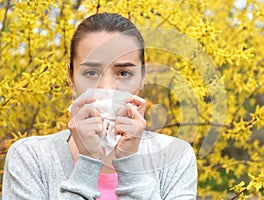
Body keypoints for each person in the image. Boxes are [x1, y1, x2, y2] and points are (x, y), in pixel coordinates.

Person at [2, 12, 197, 199]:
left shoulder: (175, 158)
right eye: (91, 73)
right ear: (71, 76)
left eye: (123, 73)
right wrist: (87, 163)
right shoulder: (30, 158)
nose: (107, 87)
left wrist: (129, 164)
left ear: (142, 77)